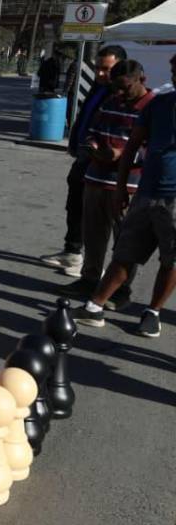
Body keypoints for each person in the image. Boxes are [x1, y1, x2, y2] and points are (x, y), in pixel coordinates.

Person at [75, 53, 176, 338]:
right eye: (173, 70)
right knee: (126, 252)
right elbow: (132, 146)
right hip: (146, 192)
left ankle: (152, 312)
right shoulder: (159, 104)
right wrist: (121, 188)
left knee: (171, 259)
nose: (174, 75)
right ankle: (94, 306)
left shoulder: (150, 100)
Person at [61, 59, 151, 307]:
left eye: (125, 87)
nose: (119, 93)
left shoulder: (152, 106)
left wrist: (122, 155)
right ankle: (89, 279)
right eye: (115, 87)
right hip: (96, 178)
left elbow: (153, 147)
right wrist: (93, 145)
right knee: (93, 235)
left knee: (125, 241)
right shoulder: (110, 101)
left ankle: (120, 289)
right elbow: (92, 130)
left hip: (129, 185)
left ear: (141, 80)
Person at [40, 45, 126, 274]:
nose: (100, 73)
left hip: (102, 165)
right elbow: (85, 116)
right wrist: (74, 142)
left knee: (97, 217)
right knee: (75, 205)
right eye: (98, 68)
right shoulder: (98, 87)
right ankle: (72, 252)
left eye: (106, 69)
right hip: (83, 157)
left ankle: (95, 269)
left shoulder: (119, 94)